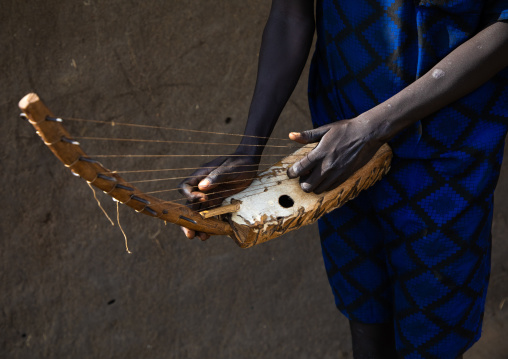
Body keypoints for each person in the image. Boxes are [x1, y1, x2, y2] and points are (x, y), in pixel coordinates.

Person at [179, 1, 508, 358]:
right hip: (337, 156)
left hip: (446, 158)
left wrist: (371, 129)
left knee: (433, 337)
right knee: (366, 321)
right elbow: (291, 14)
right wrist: (248, 151)